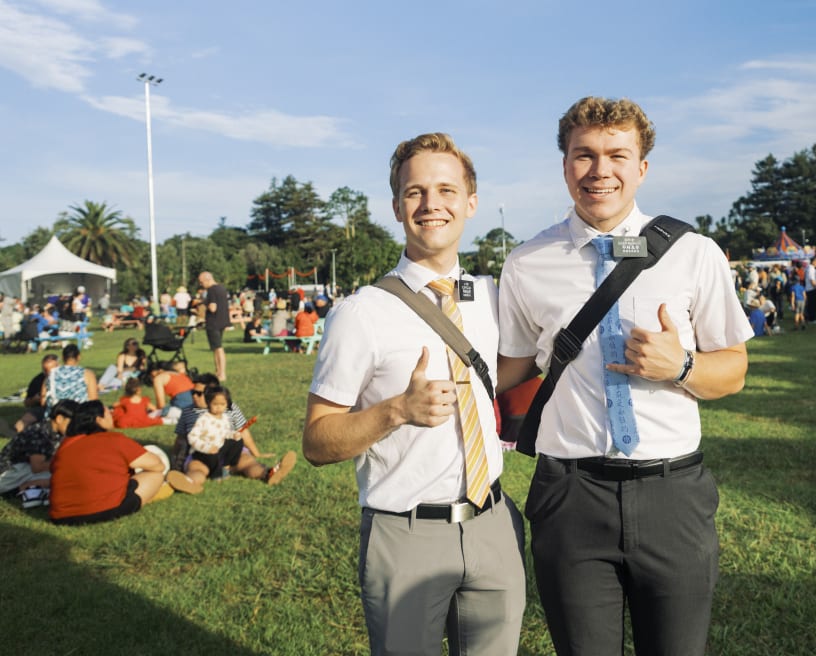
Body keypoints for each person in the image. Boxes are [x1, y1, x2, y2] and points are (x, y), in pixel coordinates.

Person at [496, 97, 751, 655]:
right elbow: (507, 368)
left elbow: (733, 369)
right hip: (570, 496)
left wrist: (680, 365)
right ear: (564, 164)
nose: (600, 170)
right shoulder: (526, 262)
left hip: (673, 495)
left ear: (642, 167)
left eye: (617, 154)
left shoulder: (694, 253)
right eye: (583, 155)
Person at [302, 132, 526, 656]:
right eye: (415, 192)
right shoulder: (361, 313)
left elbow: (520, 367)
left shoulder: (492, 298)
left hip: (492, 522)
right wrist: (397, 410)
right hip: (406, 534)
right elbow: (316, 441)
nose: (432, 205)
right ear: (398, 207)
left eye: (447, 190)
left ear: (470, 202)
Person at [49, 401, 174, 525]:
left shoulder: (65, 446)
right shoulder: (114, 439)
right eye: (109, 414)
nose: (112, 417)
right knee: (156, 475)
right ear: (99, 420)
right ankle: (156, 491)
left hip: (61, 517)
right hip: (103, 510)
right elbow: (158, 465)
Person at [166, 386, 294, 494]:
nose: (195, 396)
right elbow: (183, 439)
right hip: (204, 453)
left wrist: (240, 440)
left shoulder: (228, 414)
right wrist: (176, 461)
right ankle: (190, 483)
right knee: (197, 468)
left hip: (227, 452)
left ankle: (268, 473)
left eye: (200, 393)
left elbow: (239, 432)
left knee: (248, 462)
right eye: (193, 392)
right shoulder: (192, 413)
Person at [0, 399, 76, 497]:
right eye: (72, 423)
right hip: (8, 473)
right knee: (61, 476)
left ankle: (27, 486)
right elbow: (37, 467)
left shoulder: (57, 433)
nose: (75, 428)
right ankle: (21, 488)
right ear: (59, 419)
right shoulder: (40, 433)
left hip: (24, 470)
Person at [42, 343, 98, 412]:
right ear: (79, 357)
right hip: (78, 415)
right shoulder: (87, 374)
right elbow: (93, 400)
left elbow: (43, 400)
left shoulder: (51, 374)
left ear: (62, 357)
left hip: (54, 415)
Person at [198, 271, 231, 381]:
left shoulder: (211, 290)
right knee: (216, 347)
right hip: (222, 321)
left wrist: (204, 304)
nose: (201, 284)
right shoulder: (221, 288)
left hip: (213, 322)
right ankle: (218, 371)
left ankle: (221, 373)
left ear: (207, 279)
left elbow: (213, 307)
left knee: (218, 348)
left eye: (201, 282)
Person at [14, 354, 59, 432]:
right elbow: (26, 403)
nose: (48, 372)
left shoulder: (65, 379)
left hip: (60, 409)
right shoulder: (37, 380)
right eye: (45, 370)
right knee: (19, 425)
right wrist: (34, 399)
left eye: (51, 369)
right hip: (41, 409)